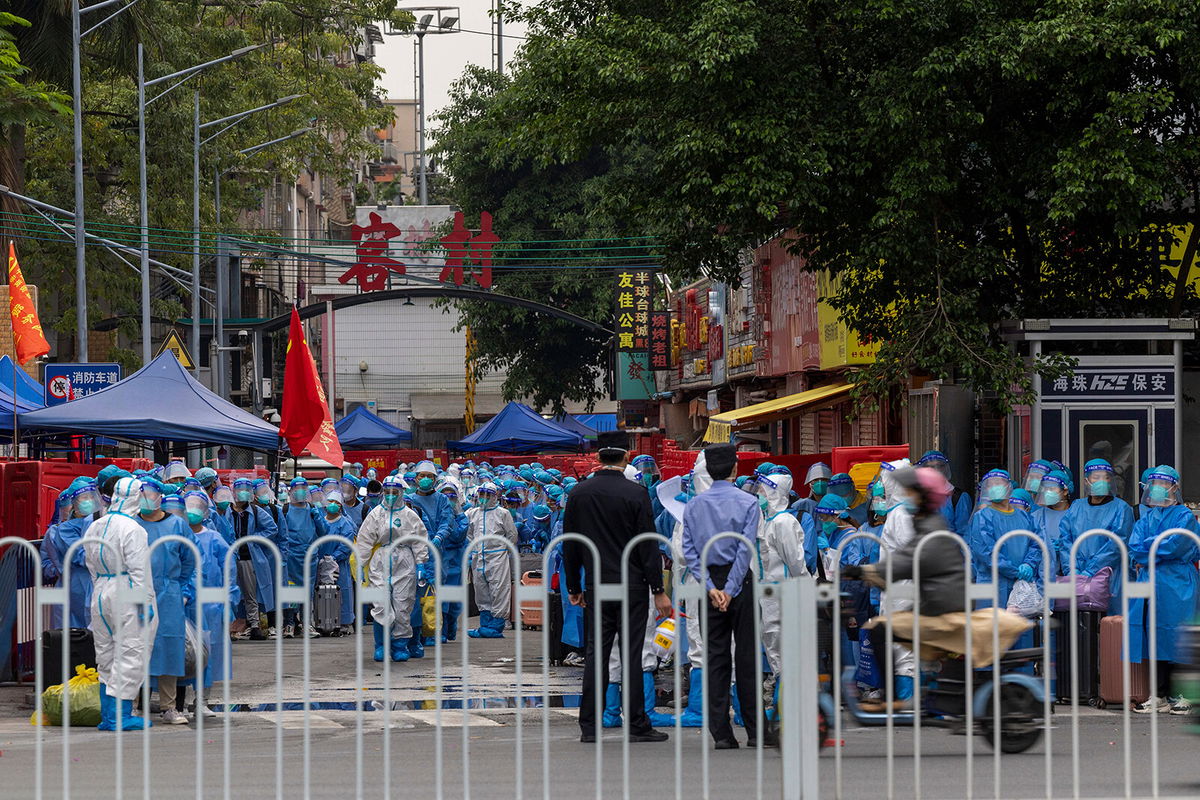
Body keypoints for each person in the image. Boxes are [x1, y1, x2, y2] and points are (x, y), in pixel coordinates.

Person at [563, 430, 670, 744]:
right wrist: (657, 588)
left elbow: (572, 544)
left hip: (597, 585)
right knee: (632, 655)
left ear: (596, 457)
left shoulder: (579, 494)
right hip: (632, 586)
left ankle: (589, 725)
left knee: (596, 654)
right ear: (627, 456)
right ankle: (636, 723)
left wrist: (574, 584)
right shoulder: (636, 494)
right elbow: (646, 546)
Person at [681, 442, 766, 749]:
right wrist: (731, 589)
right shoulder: (748, 502)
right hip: (739, 581)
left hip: (709, 583)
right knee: (746, 658)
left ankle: (721, 733)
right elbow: (745, 548)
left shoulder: (694, 505)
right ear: (734, 469)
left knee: (716, 659)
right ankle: (756, 731)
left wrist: (711, 587)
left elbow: (689, 550)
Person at [85, 477, 157, 731]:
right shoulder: (133, 529)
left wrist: (99, 590)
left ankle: (108, 715)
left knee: (105, 653)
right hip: (126, 590)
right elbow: (139, 570)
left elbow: (90, 564)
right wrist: (144, 602)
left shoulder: (96, 525)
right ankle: (121, 715)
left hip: (101, 589)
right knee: (131, 650)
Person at [1128, 465, 1199, 714]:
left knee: (1179, 637)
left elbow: (1176, 545)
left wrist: (1150, 550)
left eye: (1163, 483)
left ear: (1174, 487)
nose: (1157, 488)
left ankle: (1182, 695)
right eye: (1154, 483)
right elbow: (1134, 546)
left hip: (1178, 584)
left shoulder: (1184, 516)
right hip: (1152, 583)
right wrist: (1155, 547)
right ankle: (1157, 694)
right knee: (1154, 637)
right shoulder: (1147, 517)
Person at [137, 478, 196, 725]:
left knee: (169, 648)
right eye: (142, 494)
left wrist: (183, 590)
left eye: (150, 494)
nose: (146, 498)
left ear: (160, 496)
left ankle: (169, 706)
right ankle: (131, 704)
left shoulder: (177, 525)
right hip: (138, 591)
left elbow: (190, 560)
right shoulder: (132, 524)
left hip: (169, 592)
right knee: (135, 647)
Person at [355, 476, 427, 662]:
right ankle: (381, 645)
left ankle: (399, 645)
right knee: (380, 604)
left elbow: (420, 540)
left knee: (403, 604)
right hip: (381, 561)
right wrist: (360, 565)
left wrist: (421, 564)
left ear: (401, 493)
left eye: (394, 493)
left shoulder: (410, 515)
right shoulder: (376, 514)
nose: (390, 496)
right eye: (387, 492)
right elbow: (364, 540)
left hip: (404, 561)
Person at [183, 491, 240, 711]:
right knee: (186, 653)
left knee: (209, 653)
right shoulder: (180, 537)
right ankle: (181, 700)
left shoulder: (215, 539)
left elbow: (229, 571)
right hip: (187, 603)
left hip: (212, 606)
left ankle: (202, 700)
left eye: (198, 506)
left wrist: (229, 602)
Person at [1055, 462, 1133, 615]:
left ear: (1111, 481)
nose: (1101, 481)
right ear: (1086, 481)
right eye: (1096, 477)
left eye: (1105, 478)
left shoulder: (1122, 508)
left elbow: (1116, 545)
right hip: (1077, 578)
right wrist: (1073, 569)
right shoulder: (1076, 506)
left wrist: (1091, 572)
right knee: (1080, 629)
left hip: (1111, 576)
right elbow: (1066, 539)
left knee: (1110, 627)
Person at [756, 470, 809, 679]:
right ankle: (781, 704)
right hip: (769, 597)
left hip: (783, 596)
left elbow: (795, 562)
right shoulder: (768, 521)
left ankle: (787, 704)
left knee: (785, 650)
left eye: (763, 490)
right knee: (774, 649)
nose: (759, 493)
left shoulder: (783, 522)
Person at [466, 482, 519, 639]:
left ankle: (496, 626)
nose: (484, 498)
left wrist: (502, 549)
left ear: (495, 496)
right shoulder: (472, 513)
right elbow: (469, 533)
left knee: (498, 589)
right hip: (478, 556)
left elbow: (512, 535)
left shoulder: (502, 513)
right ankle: (485, 624)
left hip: (497, 556)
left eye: (488, 494)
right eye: (482, 494)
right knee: (481, 589)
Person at [49, 480, 104, 629]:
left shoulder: (102, 522)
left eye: (92, 497)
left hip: (100, 582)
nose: (90, 501)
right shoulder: (65, 529)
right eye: (84, 498)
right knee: (78, 631)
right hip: (78, 584)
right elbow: (81, 555)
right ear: (74, 502)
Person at [280, 477, 327, 639]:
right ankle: (290, 624)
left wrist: (318, 517)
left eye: (303, 487)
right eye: (297, 487)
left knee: (307, 592)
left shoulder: (312, 509)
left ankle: (307, 623)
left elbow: (323, 532)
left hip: (310, 556)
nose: (300, 490)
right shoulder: (285, 510)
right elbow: (281, 534)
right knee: (291, 590)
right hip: (291, 556)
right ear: (291, 491)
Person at [433, 478, 470, 642]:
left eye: (452, 495)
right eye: (445, 495)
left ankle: (450, 626)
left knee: (453, 598)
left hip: (455, 559)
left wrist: (457, 513)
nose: (449, 498)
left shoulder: (460, 516)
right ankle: (440, 629)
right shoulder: (436, 513)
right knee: (439, 596)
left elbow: (459, 535)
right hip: (439, 557)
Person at [914, 450, 972, 534]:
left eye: (939, 466)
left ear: (945, 469)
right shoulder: (919, 496)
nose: (935, 471)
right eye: (930, 468)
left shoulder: (958, 497)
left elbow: (963, 532)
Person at [1033, 469, 1074, 580]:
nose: (1048, 492)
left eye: (1051, 489)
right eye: (1045, 489)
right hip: (1043, 576)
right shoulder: (1037, 516)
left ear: (1065, 491)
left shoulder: (1076, 514)